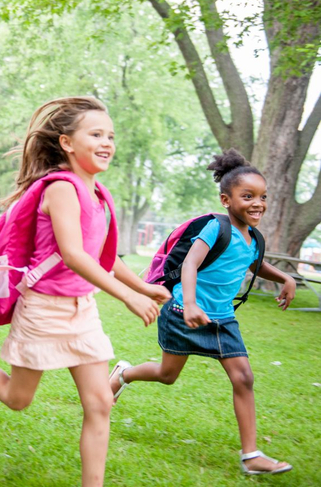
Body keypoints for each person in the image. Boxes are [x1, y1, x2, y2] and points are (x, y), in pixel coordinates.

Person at [0, 96, 170, 487]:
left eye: (110, 135)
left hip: (82, 311)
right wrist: (127, 297)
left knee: (100, 402)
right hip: (43, 309)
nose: (107, 142)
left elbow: (102, 257)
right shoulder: (61, 188)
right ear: (67, 143)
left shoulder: (99, 195)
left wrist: (144, 287)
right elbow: (72, 255)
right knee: (18, 399)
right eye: (96, 134)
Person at [109, 148, 297, 476]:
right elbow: (191, 264)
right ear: (226, 200)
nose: (258, 203)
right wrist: (191, 304)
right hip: (183, 310)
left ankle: (251, 455)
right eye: (247, 196)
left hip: (222, 318)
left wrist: (283, 276)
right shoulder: (214, 228)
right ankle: (123, 374)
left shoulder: (253, 237)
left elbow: (254, 263)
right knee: (167, 375)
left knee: (244, 377)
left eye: (263, 197)